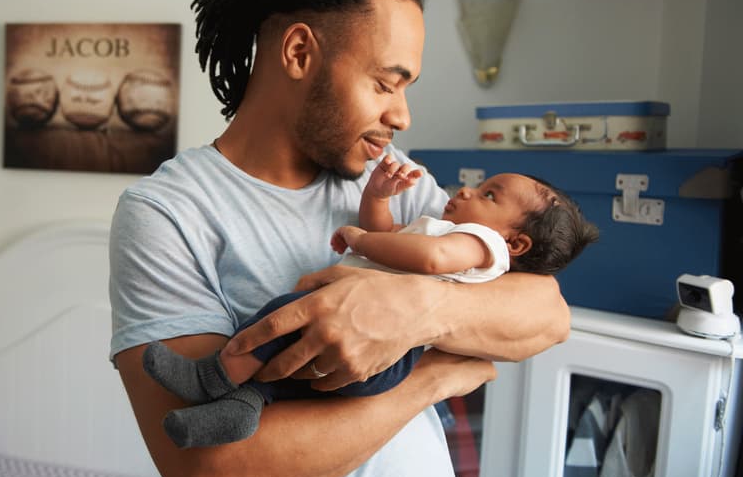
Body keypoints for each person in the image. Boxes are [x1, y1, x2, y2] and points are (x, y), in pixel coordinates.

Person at [110, 0, 571, 477]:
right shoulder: (168, 215)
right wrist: (433, 378)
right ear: (300, 53)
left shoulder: (391, 177)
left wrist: (411, 313)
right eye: (385, 82)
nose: (402, 115)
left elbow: (547, 314)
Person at [140, 160, 599, 448]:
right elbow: (392, 234)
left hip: (387, 357)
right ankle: (244, 405)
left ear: (514, 242)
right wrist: (376, 198)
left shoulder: (479, 244)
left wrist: (362, 241)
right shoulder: (444, 224)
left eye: (489, 195)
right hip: (371, 362)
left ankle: (213, 375)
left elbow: (430, 256)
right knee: (293, 368)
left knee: (284, 313)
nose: (464, 191)